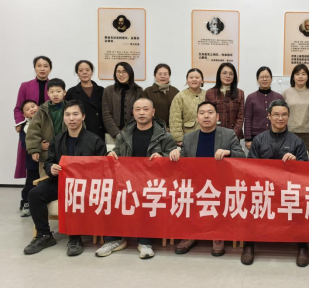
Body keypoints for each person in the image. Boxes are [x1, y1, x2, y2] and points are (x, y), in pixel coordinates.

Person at [95, 98, 177, 259]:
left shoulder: (165, 136)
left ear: (153, 112)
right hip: (127, 182)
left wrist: (163, 156)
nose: (141, 113)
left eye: (145, 109)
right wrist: (112, 154)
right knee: (112, 196)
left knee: (145, 196)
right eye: (138, 109)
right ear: (133, 112)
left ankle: (145, 242)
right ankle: (114, 239)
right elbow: (117, 152)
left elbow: (173, 156)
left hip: (154, 183)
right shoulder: (124, 135)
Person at [23, 101, 107, 256]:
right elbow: (49, 162)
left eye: (75, 114)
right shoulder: (57, 140)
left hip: (85, 186)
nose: (71, 118)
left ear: (83, 116)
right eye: (67, 115)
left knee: (74, 194)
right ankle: (44, 235)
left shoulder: (95, 141)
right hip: (60, 181)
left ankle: (75, 237)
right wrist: (51, 168)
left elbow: (102, 168)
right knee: (35, 194)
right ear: (64, 118)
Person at [169, 101, 246, 257]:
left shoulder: (228, 134)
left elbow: (242, 156)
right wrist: (175, 154)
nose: (206, 116)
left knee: (219, 195)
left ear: (217, 117)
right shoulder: (189, 138)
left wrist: (229, 153)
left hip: (220, 183)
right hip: (194, 183)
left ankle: (218, 236)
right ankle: (189, 235)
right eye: (202, 113)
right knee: (183, 195)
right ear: (197, 118)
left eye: (210, 113)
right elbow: (182, 163)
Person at [242, 99, 309, 267]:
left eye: (284, 115)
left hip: (289, 190)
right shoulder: (259, 140)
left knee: (303, 202)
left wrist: (295, 163)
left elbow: (306, 172)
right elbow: (251, 167)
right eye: (276, 114)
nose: (280, 118)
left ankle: (302, 245)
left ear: (289, 116)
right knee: (250, 201)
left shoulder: (296, 142)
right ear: (269, 116)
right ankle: (249, 244)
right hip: (263, 189)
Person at [13, 56, 52, 181]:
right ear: (34, 68)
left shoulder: (53, 86)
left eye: (45, 66)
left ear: (50, 69)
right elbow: (18, 108)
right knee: (32, 162)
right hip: (30, 128)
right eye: (39, 66)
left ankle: (45, 189)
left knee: (47, 160)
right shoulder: (25, 86)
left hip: (48, 128)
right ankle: (29, 191)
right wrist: (20, 123)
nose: (42, 69)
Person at [25, 78, 68, 178]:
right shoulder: (42, 111)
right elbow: (33, 130)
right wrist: (35, 149)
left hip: (67, 151)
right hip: (47, 152)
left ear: (64, 92)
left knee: (66, 180)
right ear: (48, 93)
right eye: (52, 92)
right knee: (45, 180)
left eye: (58, 91)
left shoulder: (70, 108)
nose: (55, 94)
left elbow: (80, 126)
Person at [282, 64, 309, 161]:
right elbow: (282, 113)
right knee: (288, 162)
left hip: (308, 135)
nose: (300, 77)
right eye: (297, 74)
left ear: (308, 76)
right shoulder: (286, 93)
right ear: (293, 77)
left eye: (303, 74)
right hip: (289, 133)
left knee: (308, 164)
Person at [102, 62, 143, 144]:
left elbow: (137, 114)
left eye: (124, 72)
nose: (121, 75)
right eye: (118, 72)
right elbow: (106, 114)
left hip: (132, 134)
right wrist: (116, 133)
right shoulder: (108, 90)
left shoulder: (138, 91)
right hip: (111, 135)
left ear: (130, 73)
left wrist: (125, 132)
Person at [244, 66, 282, 150]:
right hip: (256, 137)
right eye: (262, 77)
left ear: (271, 79)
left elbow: (282, 117)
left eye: (267, 77)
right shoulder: (251, 97)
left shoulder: (278, 97)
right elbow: (248, 119)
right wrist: (248, 139)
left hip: (276, 136)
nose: (265, 79)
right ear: (257, 79)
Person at [66, 60, 105, 139]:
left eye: (87, 70)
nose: (84, 72)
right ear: (77, 73)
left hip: (99, 132)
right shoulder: (71, 92)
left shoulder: (102, 91)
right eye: (81, 70)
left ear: (92, 72)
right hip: (79, 132)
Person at [205, 62, 245, 140]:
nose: (228, 76)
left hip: (234, 136)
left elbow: (240, 117)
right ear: (219, 75)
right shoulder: (210, 93)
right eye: (224, 73)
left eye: (231, 74)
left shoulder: (240, 93)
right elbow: (209, 115)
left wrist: (233, 134)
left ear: (234, 76)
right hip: (215, 135)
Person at [169, 68, 206, 145]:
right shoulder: (180, 96)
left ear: (202, 80)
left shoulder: (207, 95)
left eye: (197, 77)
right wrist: (179, 139)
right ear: (187, 80)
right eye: (191, 77)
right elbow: (175, 119)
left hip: (206, 134)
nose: (194, 79)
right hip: (187, 137)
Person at [141, 63, 179, 131]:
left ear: (169, 76)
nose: (163, 76)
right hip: (152, 129)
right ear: (155, 76)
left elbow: (179, 112)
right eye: (160, 74)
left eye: (165, 74)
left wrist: (171, 127)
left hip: (172, 129)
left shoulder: (175, 91)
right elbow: (145, 111)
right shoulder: (148, 91)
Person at [18, 100, 39, 217]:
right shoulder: (24, 127)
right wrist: (38, 147)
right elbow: (25, 144)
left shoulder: (46, 120)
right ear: (24, 114)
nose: (31, 109)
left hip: (46, 159)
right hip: (32, 161)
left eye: (33, 106)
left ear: (38, 107)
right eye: (27, 109)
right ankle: (26, 202)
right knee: (30, 183)